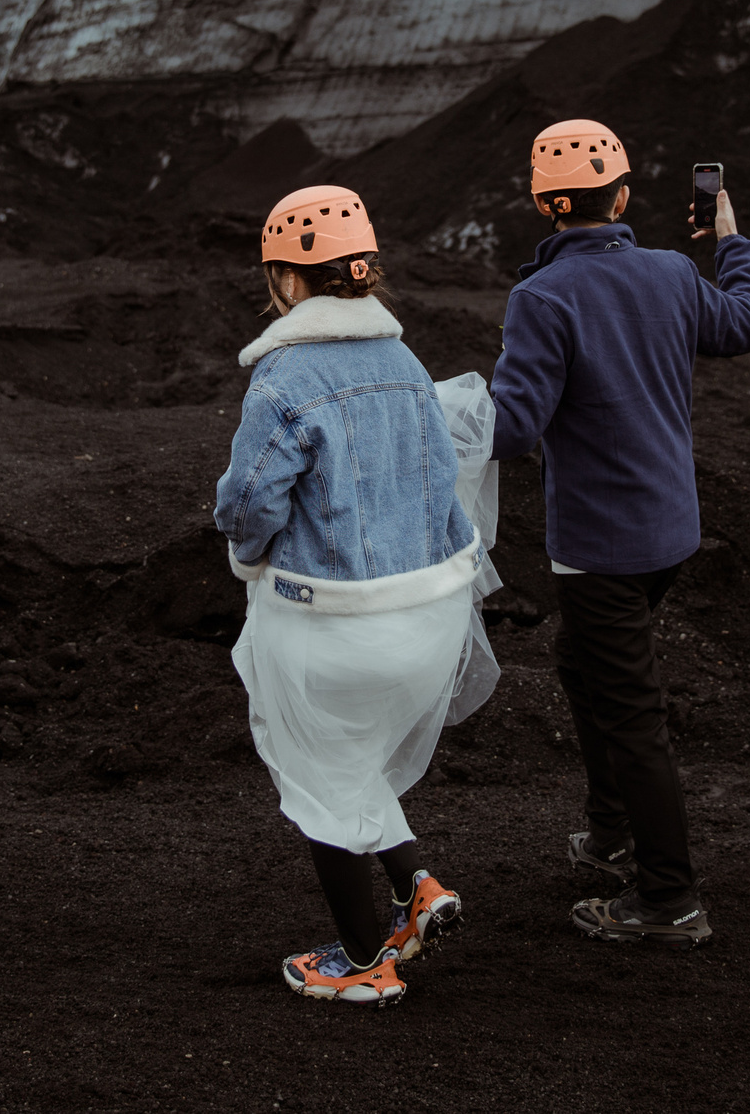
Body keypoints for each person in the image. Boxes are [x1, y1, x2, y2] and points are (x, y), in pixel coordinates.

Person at [214, 184, 496, 1007]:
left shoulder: (283, 378)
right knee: (350, 756)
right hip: (431, 618)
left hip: (336, 626)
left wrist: (248, 558)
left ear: (286, 279)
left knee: (316, 772)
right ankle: (415, 887)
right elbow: (442, 482)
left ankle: (365, 961)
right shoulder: (406, 364)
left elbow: (247, 505)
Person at [489, 120, 750, 946]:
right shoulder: (674, 271)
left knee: (632, 715)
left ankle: (668, 897)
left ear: (544, 204)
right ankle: (610, 833)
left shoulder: (542, 298)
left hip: (598, 549)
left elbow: (512, 429)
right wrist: (731, 239)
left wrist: (439, 409)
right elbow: (744, 322)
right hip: (669, 533)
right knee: (583, 663)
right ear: (621, 197)